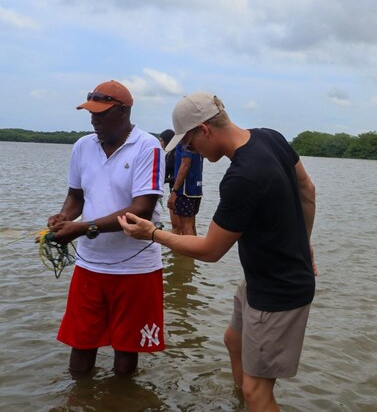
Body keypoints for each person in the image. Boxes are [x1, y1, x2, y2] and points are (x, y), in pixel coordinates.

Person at [118, 92, 317, 411]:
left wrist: (153, 233)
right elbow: (307, 189)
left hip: (278, 291)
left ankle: (252, 401)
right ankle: (242, 405)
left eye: (188, 141)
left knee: (258, 390)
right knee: (232, 340)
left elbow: (211, 250)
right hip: (259, 278)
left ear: (204, 130)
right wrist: (302, 243)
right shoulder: (271, 138)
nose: (187, 149)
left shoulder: (242, 178)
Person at [44, 80, 165, 375]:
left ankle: (121, 400)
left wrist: (82, 228)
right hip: (90, 266)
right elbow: (76, 196)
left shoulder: (148, 146)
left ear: (123, 112)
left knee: (126, 350)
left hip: (135, 268)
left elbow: (141, 210)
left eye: (101, 113)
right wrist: (64, 217)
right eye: (91, 113)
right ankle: (81, 401)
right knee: (81, 344)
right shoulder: (83, 146)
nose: (93, 119)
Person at [167, 140, 203, 235]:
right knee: (191, 226)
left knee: (186, 227)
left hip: (185, 190)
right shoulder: (198, 142)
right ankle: (196, 249)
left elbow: (185, 165)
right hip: (197, 189)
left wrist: (174, 191)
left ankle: (189, 250)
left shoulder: (184, 142)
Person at [159, 129, 180, 233]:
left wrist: (164, 180)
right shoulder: (168, 155)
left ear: (168, 140)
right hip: (172, 191)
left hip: (179, 192)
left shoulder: (177, 154)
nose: (160, 143)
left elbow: (178, 176)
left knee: (177, 226)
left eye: (162, 140)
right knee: (175, 225)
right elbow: (164, 175)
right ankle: (175, 249)